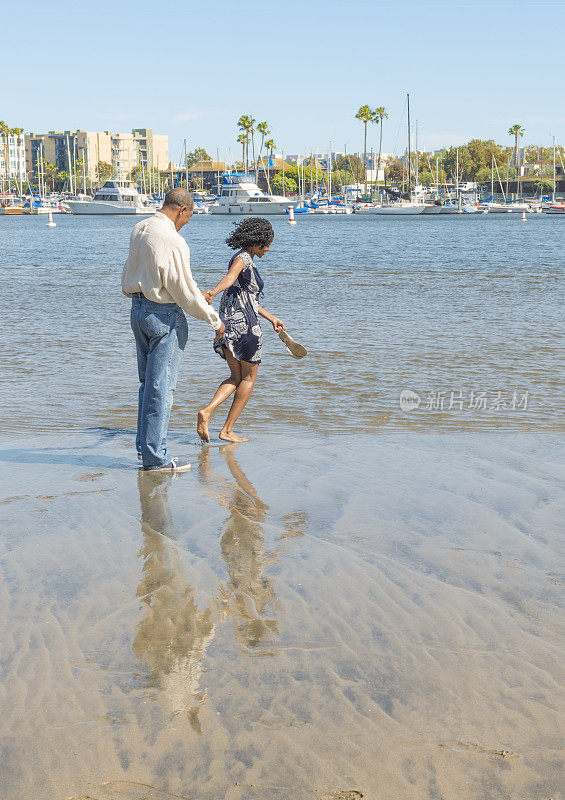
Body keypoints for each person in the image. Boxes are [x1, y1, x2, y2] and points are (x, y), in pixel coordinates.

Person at [122, 188, 225, 471]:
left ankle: (145, 448)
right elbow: (182, 289)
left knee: (148, 385)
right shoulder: (173, 239)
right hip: (163, 316)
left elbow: (160, 277)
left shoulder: (140, 228)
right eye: (188, 218)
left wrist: (193, 294)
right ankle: (157, 458)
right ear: (182, 210)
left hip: (138, 310)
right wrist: (215, 320)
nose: (186, 223)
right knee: (161, 388)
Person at [197, 217, 285, 444]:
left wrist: (271, 318)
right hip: (246, 329)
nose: (269, 248)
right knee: (248, 379)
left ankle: (207, 412)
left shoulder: (240, 257)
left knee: (236, 376)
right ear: (258, 242)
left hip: (229, 325)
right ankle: (227, 430)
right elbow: (229, 278)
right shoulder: (244, 259)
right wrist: (212, 293)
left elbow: (248, 299)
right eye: (267, 244)